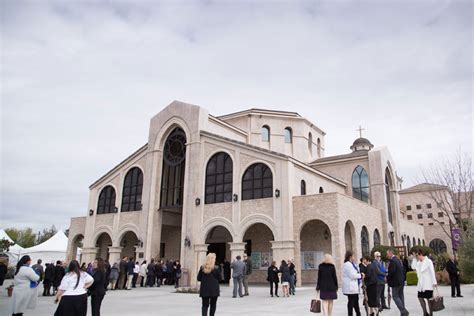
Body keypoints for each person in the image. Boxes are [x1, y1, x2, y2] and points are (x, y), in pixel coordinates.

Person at [411, 249, 437, 316]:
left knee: (429, 300)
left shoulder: (428, 261)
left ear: (420, 254)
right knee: (420, 298)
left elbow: (432, 272)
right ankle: (425, 313)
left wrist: (434, 282)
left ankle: (431, 314)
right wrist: (414, 259)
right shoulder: (418, 262)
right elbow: (413, 267)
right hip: (421, 284)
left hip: (428, 283)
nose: (417, 257)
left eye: (417, 256)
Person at [386, 249, 409, 316]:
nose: (387, 256)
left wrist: (387, 278)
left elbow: (391, 272)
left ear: (390, 253)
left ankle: (404, 311)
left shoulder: (392, 261)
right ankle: (403, 312)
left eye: (387, 254)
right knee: (401, 296)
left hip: (395, 282)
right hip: (401, 281)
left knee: (395, 296)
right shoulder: (397, 259)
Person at [342, 251, 362, 316]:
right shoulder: (347, 264)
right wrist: (360, 275)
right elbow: (352, 275)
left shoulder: (353, 264)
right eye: (353, 256)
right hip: (350, 287)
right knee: (351, 302)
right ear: (350, 257)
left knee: (356, 301)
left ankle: (358, 314)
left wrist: (359, 274)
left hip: (354, 287)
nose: (354, 257)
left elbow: (356, 271)